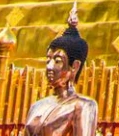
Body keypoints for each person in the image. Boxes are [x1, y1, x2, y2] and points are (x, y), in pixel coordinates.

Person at [23, 7, 99, 136]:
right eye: (48, 60)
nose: (49, 66)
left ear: (74, 66)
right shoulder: (37, 106)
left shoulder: (82, 106)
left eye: (57, 61)